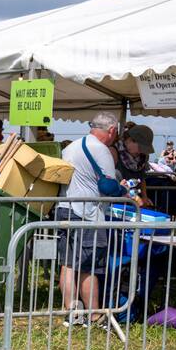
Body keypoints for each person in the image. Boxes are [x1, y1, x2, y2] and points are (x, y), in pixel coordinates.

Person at [57, 112, 121, 326]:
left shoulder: (71, 147)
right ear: (111, 130)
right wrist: (124, 191)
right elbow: (108, 186)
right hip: (87, 212)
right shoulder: (101, 150)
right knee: (90, 266)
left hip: (64, 208)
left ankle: (71, 311)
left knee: (67, 264)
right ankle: (94, 315)